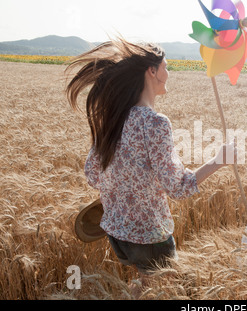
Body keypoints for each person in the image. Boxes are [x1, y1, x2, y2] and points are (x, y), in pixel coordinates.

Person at [65, 38, 236, 291]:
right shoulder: (155, 123)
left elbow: (92, 174)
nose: (169, 73)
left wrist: (125, 184)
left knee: (146, 286)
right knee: (165, 292)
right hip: (149, 238)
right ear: (152, 71)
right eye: (166, 66)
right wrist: (218, 161)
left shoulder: (113, 118)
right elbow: (177, 188)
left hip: (117, 236)